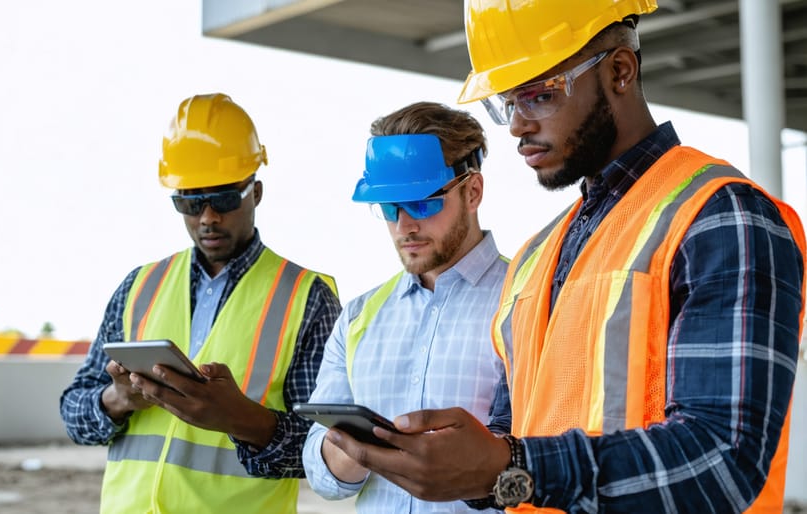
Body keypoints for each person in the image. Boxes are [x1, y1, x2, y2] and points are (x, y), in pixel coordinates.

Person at [321, 2, 807, 513]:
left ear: (620, 70)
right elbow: (518, 437)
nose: (515, 126)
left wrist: (506, 465)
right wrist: (458, 463)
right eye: (507, 102)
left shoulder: (719, 216)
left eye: (538, 95)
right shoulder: (537, 256)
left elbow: (723, 459)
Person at [59, 93, 341, 514]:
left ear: (256, 191)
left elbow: (328, 452)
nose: (207, 217)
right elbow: (73, 413)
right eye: (190, 201)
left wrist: (239, 418)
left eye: (224, 199)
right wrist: (116, 400)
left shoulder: (306, 297)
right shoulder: (139, 287)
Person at [302, 101, 510, 513]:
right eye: (388, 207)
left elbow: (548, 450)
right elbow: (320, 474)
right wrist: (357, 448)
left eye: (421, 203)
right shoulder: (359, 317)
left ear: (472, 191)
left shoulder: (526, 299)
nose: (404, 226)